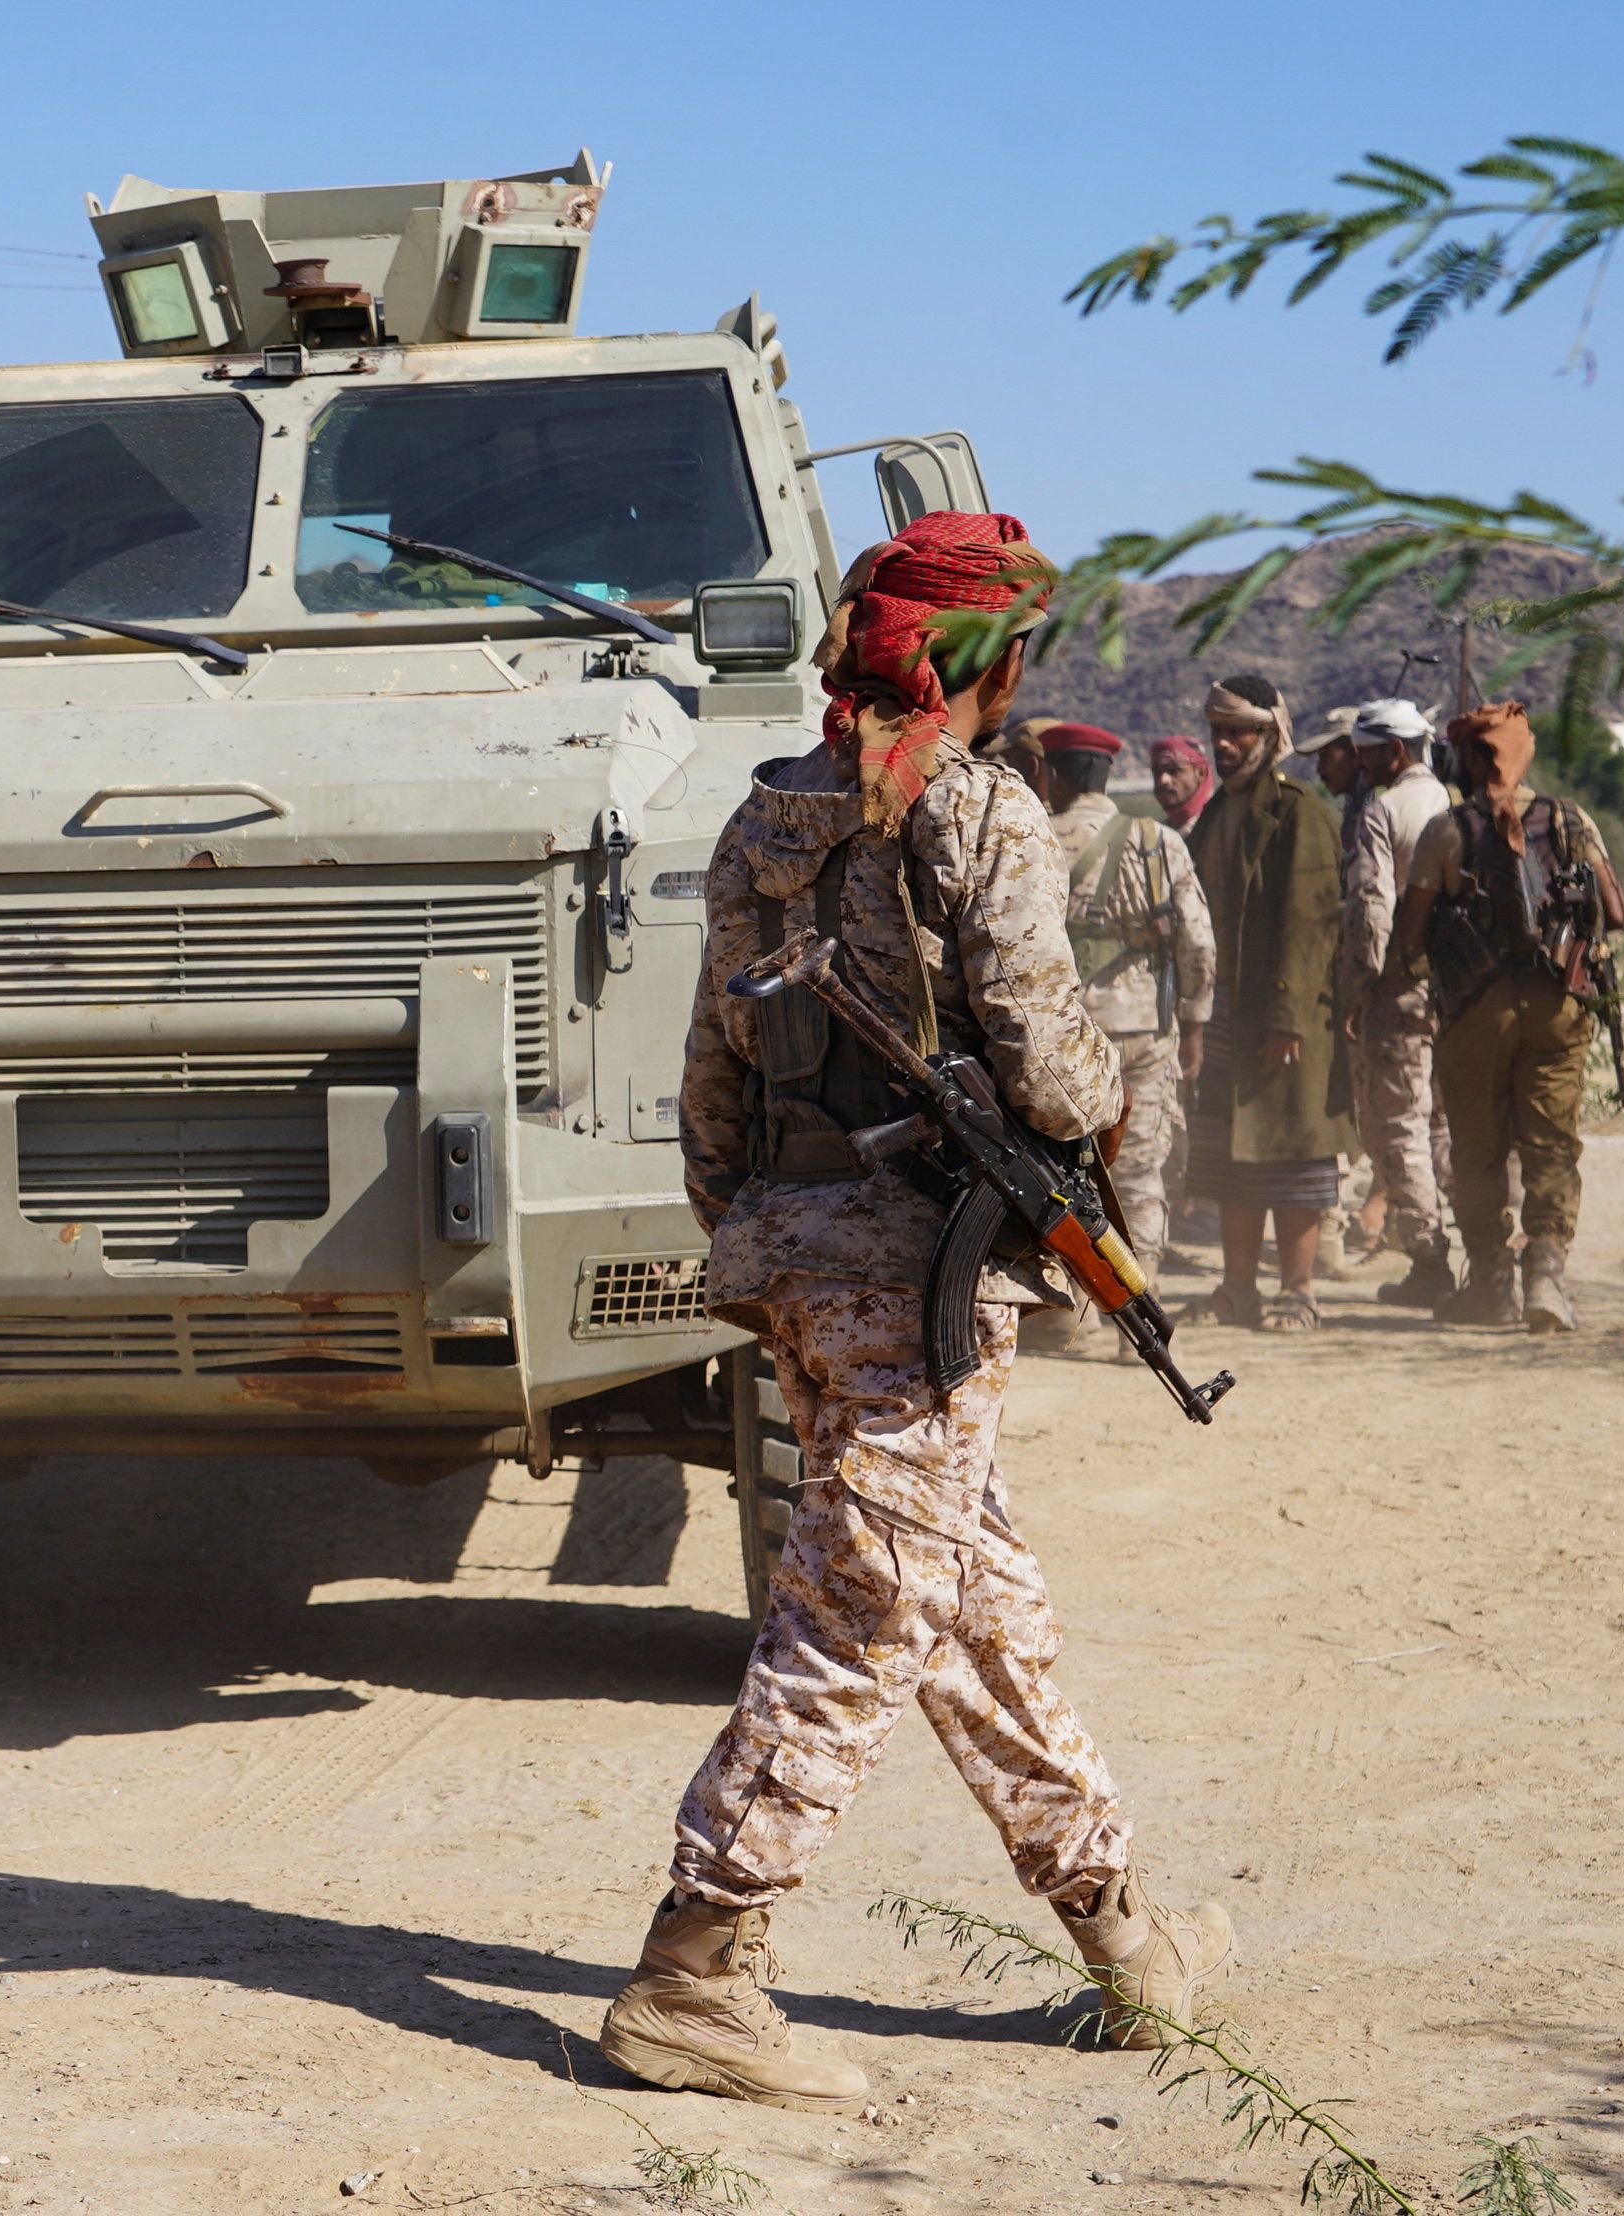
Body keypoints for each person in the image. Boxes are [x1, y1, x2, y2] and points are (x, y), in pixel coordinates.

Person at [611, 512, 1232, 2113]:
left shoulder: (769, 814)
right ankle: (696, 1963)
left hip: (806, 1257)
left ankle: (1121, 1935)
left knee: (970, 1600)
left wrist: (760, 1236)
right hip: (918, 1271)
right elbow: (1051, 1055)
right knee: (873, 1605)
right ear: (980, 659)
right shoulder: (975, 811)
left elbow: (712, 1072)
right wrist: (1082, 1150)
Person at [1397, 701, 1624, 1332]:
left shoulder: (1447, 830)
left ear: (1473, 758)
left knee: (1478, 1149)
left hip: (1476, 1013)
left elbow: (1409, 935)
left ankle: (1493, 1284)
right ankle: (1547, 1278)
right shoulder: (1571, 819)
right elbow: (1619, 910)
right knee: (1551, 1144)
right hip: (1560, 1007)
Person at [1182, 674, 1356, 1330]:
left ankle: (1298, 1290)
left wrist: (1286, 1019)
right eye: (1218, 731)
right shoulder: (1217, 814)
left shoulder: (1300, 811)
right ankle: (1236, 1290)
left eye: (1238, 732)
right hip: (1223, 1012)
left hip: (1287, 1017)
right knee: (1229, 1158)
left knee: (1293, 1154)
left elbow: (1308, 923)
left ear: (1269, 733)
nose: (1224, 744)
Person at [1032, 721, 1214, 1282]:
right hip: (1142, 1032)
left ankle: (1073, 1316)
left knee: (1060, 1174)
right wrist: (1194, 1023)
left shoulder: (1035, 836)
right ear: (1107, 776)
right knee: (1138, 1173)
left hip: (1060, 1035)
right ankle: (1139, 1308)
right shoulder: (1159, 842)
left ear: (1055, 774)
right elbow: (1198, 944)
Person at [1318, 699, 1459, 1308]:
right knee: (1439, 1123)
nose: (1358, 764)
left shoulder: (1384, 809)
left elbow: (1371, 910)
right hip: (1451, 988)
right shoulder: (1448, 804)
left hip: (1398, 989)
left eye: (1367, 753)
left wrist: (1358, 987)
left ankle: (1429, 1259)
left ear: (1393, 753)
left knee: (1396, 1126)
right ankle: (1486, 1247)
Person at [1146, 732, 1216, 834]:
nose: (1163, 780)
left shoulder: (1221, 828)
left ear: (1201, 773)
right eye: (1157, 772)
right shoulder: (1154, 835)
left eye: (1173, 770)